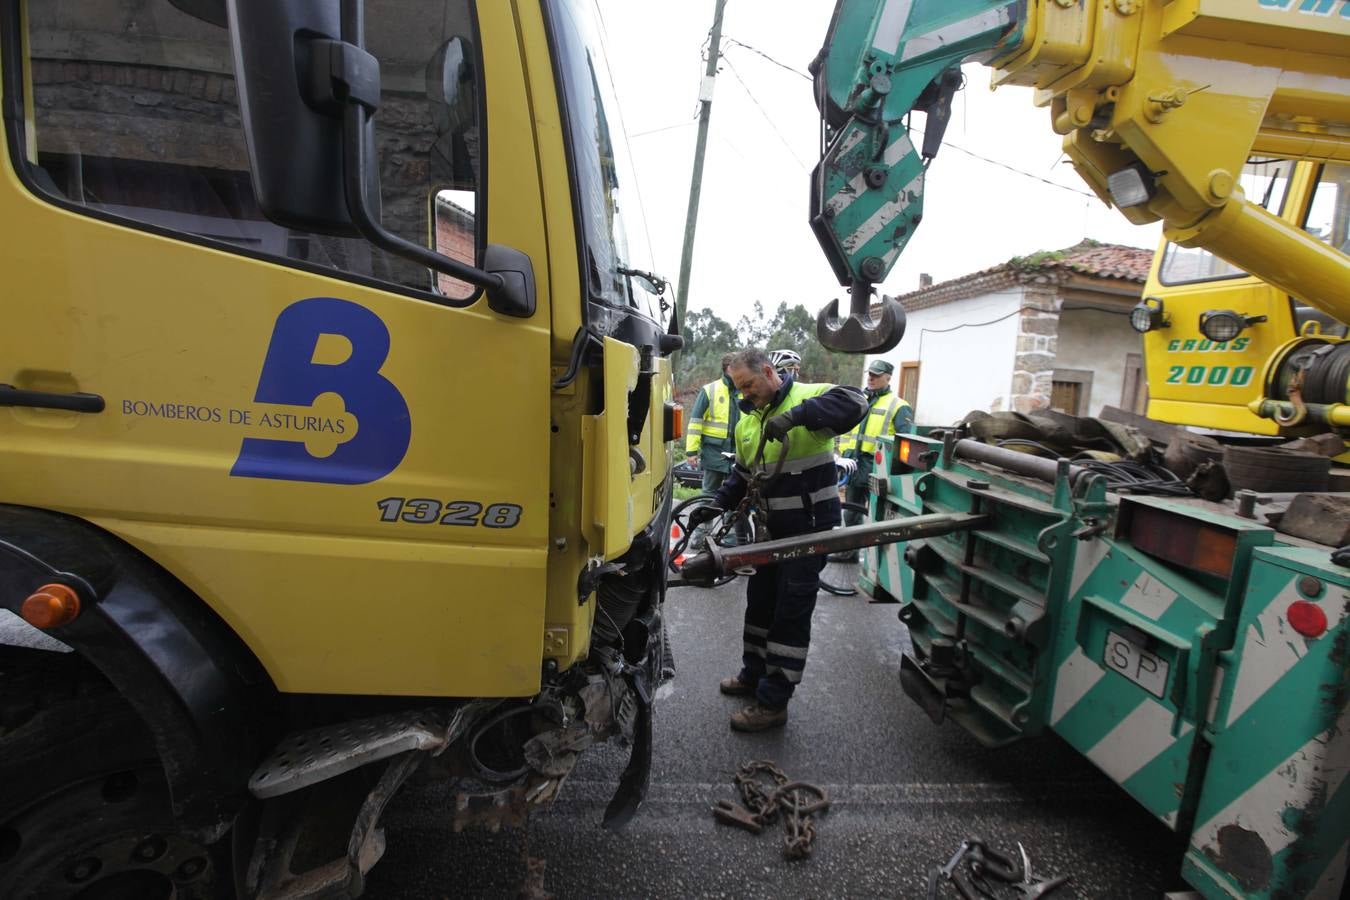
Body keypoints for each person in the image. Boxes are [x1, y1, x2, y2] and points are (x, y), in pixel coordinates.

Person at [688, 348, 867, 731]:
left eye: (749, 385)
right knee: (760, 606)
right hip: (769, 535)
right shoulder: (748, 422)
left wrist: (794, 417)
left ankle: (773, 703)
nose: (745, 394)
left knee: (790, 613)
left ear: (769, 372)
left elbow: (854, 402)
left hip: (808, 532)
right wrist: (716, 505)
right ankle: (753, 676)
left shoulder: (807, 398)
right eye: (739, 388)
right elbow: (742, 474)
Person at [838, 359, 914, 528]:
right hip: (854, 465)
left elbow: (906, 442)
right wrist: (844, 455)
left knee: (877, 517)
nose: (871, 378)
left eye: (876, 375)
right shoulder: (858, 399)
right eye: (870, 374)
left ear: (888, 378)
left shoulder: (899, 406)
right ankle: (849, 555)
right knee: (851, 514)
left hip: (878, 470)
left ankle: (872, 553)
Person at [685, 353, 741, 492]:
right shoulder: (709, 390)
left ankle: (728, 515)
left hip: (739, 453)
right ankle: (704, 514)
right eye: (739, 367)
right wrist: (691, 452)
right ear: (729, 368)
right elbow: (695, 423)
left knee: (735, 495)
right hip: (714, 452)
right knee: (709, 493)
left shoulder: (745, 390)